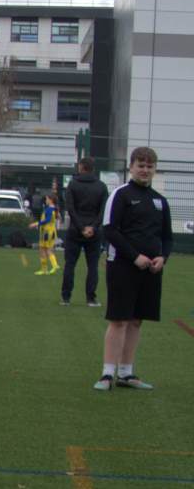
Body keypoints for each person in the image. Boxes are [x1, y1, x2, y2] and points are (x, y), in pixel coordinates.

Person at [93, 146, 172, 391]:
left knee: (137, 321)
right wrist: (135, 256)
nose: (145, 170)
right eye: (141, 165)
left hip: (151, 270)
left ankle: (126, 374)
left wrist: (163, 258)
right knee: (119, 320)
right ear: (131, 167)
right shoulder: (120, 195)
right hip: (122, 266)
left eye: (149, 166)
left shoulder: (160, 200)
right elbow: (110, 230)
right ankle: (107, 374)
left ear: (155, 169)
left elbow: (167, 237)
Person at [61, 157, 107, 307]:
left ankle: (66, 297)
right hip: (94, 232)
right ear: (93, 168)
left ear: (81, 167)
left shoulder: (73, 184)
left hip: (75, 230)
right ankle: (91, 298)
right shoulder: (101, 186)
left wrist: (81, 227)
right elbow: (103, 211)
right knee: (92, 266)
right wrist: (92, 227)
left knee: (70, 265)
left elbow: (71, 209)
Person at [29, 192, 60, 276]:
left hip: (47, 232)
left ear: (51, 200)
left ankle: (54, 266)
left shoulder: (50, 209)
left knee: (46, 249)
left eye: (47, 199)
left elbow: (47, 220)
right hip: (48, 232)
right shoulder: (53, 209)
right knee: (43, 249)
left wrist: (36, 224)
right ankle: (45, 269)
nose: (46, 200)